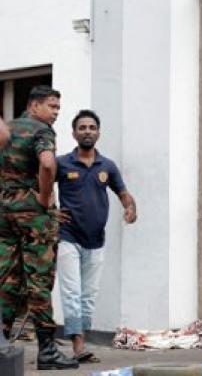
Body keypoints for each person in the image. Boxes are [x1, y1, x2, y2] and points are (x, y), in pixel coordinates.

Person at [0, 85, 79, 370]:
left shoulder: (7, 129)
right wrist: (45, 198)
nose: (56, 113)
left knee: (6, 279)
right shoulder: (41, 130)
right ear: (34, 106)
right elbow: (47, 164)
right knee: (39, 281)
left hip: (5, 211)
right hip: (33, 215)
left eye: (58, 108)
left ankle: (3, 343)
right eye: (52, 106)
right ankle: (47, 351)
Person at [56, 109, 137, 363]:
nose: (87, 131)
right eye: (82, 128)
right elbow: (43, 185)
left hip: (96, 240)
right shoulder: (62, 163)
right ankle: (79, 347)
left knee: (88, 294)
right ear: (74, 133)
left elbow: (123, 192)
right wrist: (49, 211)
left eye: (92, 127)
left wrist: (130, 207)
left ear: (98, 133)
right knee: (71, 292)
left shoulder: (107, 166)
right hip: (68, 237)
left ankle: (82, 342)